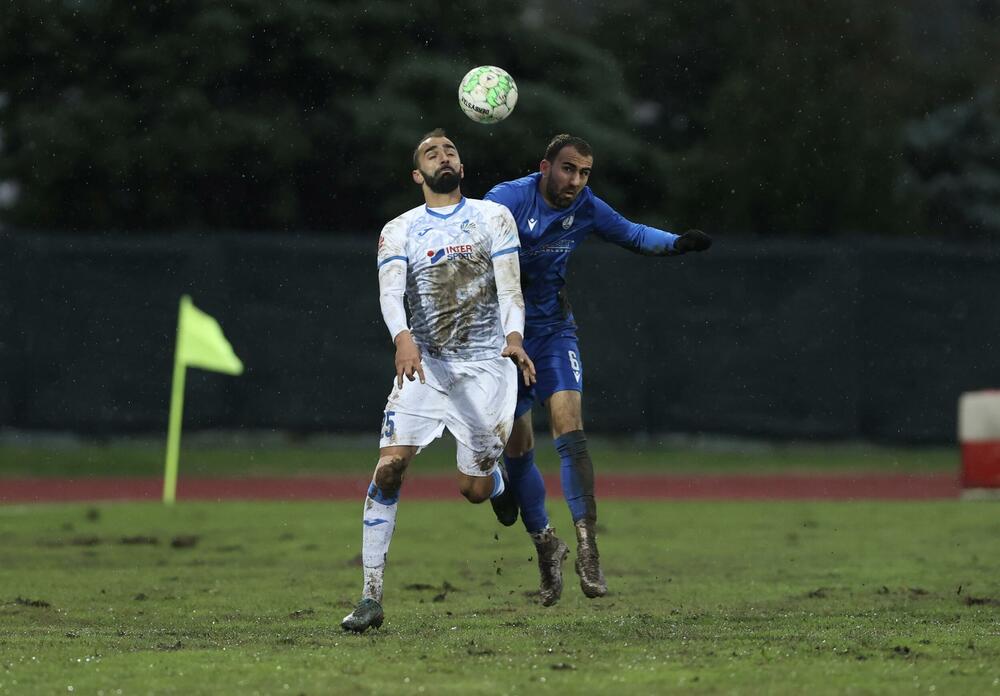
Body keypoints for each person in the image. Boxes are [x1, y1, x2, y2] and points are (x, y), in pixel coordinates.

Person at [484, 134, 712, 606]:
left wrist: (677, 244)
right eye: (568, 169)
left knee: (570, 426)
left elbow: (631, 233)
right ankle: (547, 548)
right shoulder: (504, 201)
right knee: (518, 447)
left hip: (552, 332)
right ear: (544, 166)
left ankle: (588, 548)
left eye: (585, 172)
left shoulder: (584, 205)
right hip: (502, 341)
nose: (576, 181)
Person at [340, 129, 537, 633]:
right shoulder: (398, 229)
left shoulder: (493, 217)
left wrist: (514, 337)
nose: (442, 155)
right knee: (388, 470)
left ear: (462, 168)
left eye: (450, 150)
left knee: (470, 489)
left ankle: (494, 484)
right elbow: (390, 294)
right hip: (426, 365)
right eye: (431, 152)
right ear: (417, 174)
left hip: (487, 368)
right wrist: (403, 339)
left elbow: (511, 288)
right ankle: (369, 597)